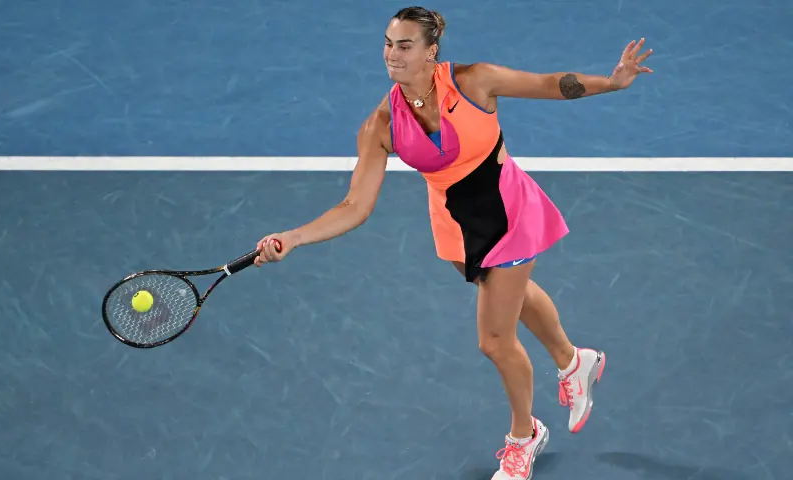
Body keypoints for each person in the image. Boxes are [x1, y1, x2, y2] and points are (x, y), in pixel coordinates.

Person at [254, 6, 653, 479]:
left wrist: (613, 82)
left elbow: (549, 83)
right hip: (457, 226)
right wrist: (293, 238)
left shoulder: (474, 81)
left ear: (430, 51)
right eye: (387, 43)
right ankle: (575, 361)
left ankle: (524, 436)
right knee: (513, 294)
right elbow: (354, 206)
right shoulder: (381, 125)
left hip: (510, 212)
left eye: (404, 45)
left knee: (495, 340)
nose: (392, 54)